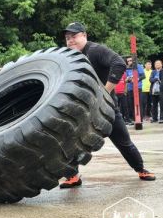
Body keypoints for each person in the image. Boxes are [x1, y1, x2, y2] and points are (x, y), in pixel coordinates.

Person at [60, 22, 155, 188]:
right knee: (68, 143)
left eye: (74, 36)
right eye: (67, 38)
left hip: (106, 109)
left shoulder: (95, 50)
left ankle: (141, 170)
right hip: (82, 112)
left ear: (84, 35)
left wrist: (105, 91)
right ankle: (73, 177)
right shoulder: (70, 57)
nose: (70, 41)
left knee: (123, 142)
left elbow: (119, 63)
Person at [125, 57, 145, 123]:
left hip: (138, 87)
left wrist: (137, 79)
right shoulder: (127, 68)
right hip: (130, 88)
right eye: (128, 61)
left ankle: (140, 119)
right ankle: (134, 119)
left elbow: (143, 76)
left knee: (139, 103)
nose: (130, 62)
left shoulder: (138, 66)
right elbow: (127, 79)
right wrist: (128, 79)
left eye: (131, 60)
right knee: (131, 104)